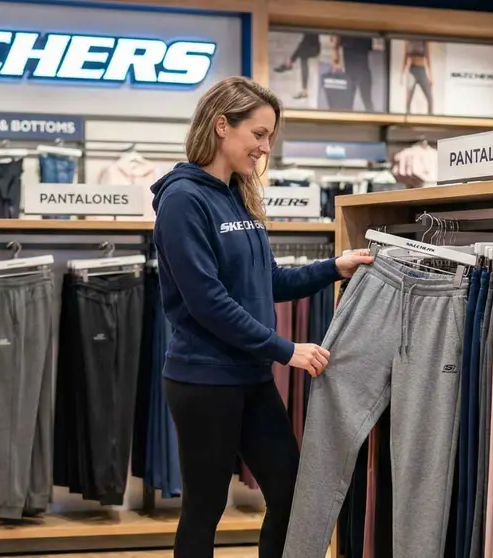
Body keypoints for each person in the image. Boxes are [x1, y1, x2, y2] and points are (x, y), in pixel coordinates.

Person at [150, 76, 373, 558]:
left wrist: (333, 267)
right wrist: (286, 350)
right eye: (259, 134)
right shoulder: (182, 199)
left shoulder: (237, 195)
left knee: (290, 491)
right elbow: (207, 302)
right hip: (203, 380)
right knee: (205, 508)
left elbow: (266, 280)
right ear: (222, 125)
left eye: (270, 136)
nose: (265, 147)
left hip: (249, 375)